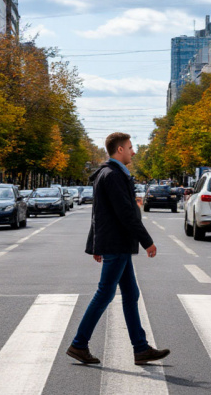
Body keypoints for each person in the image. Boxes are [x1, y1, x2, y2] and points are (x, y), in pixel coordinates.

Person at [66, 132, 170, 366]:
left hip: (115, 242)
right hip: (117, 243)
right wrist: (147, 241)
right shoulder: (113, 176)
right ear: (119, 150)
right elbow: (125, 213)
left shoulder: (109, 174)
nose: (133, 152)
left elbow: (99, 213)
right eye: (130, 147)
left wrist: (95, 244)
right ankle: (79, 344)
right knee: (105, 293)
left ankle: (141, 348)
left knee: (130, 294)